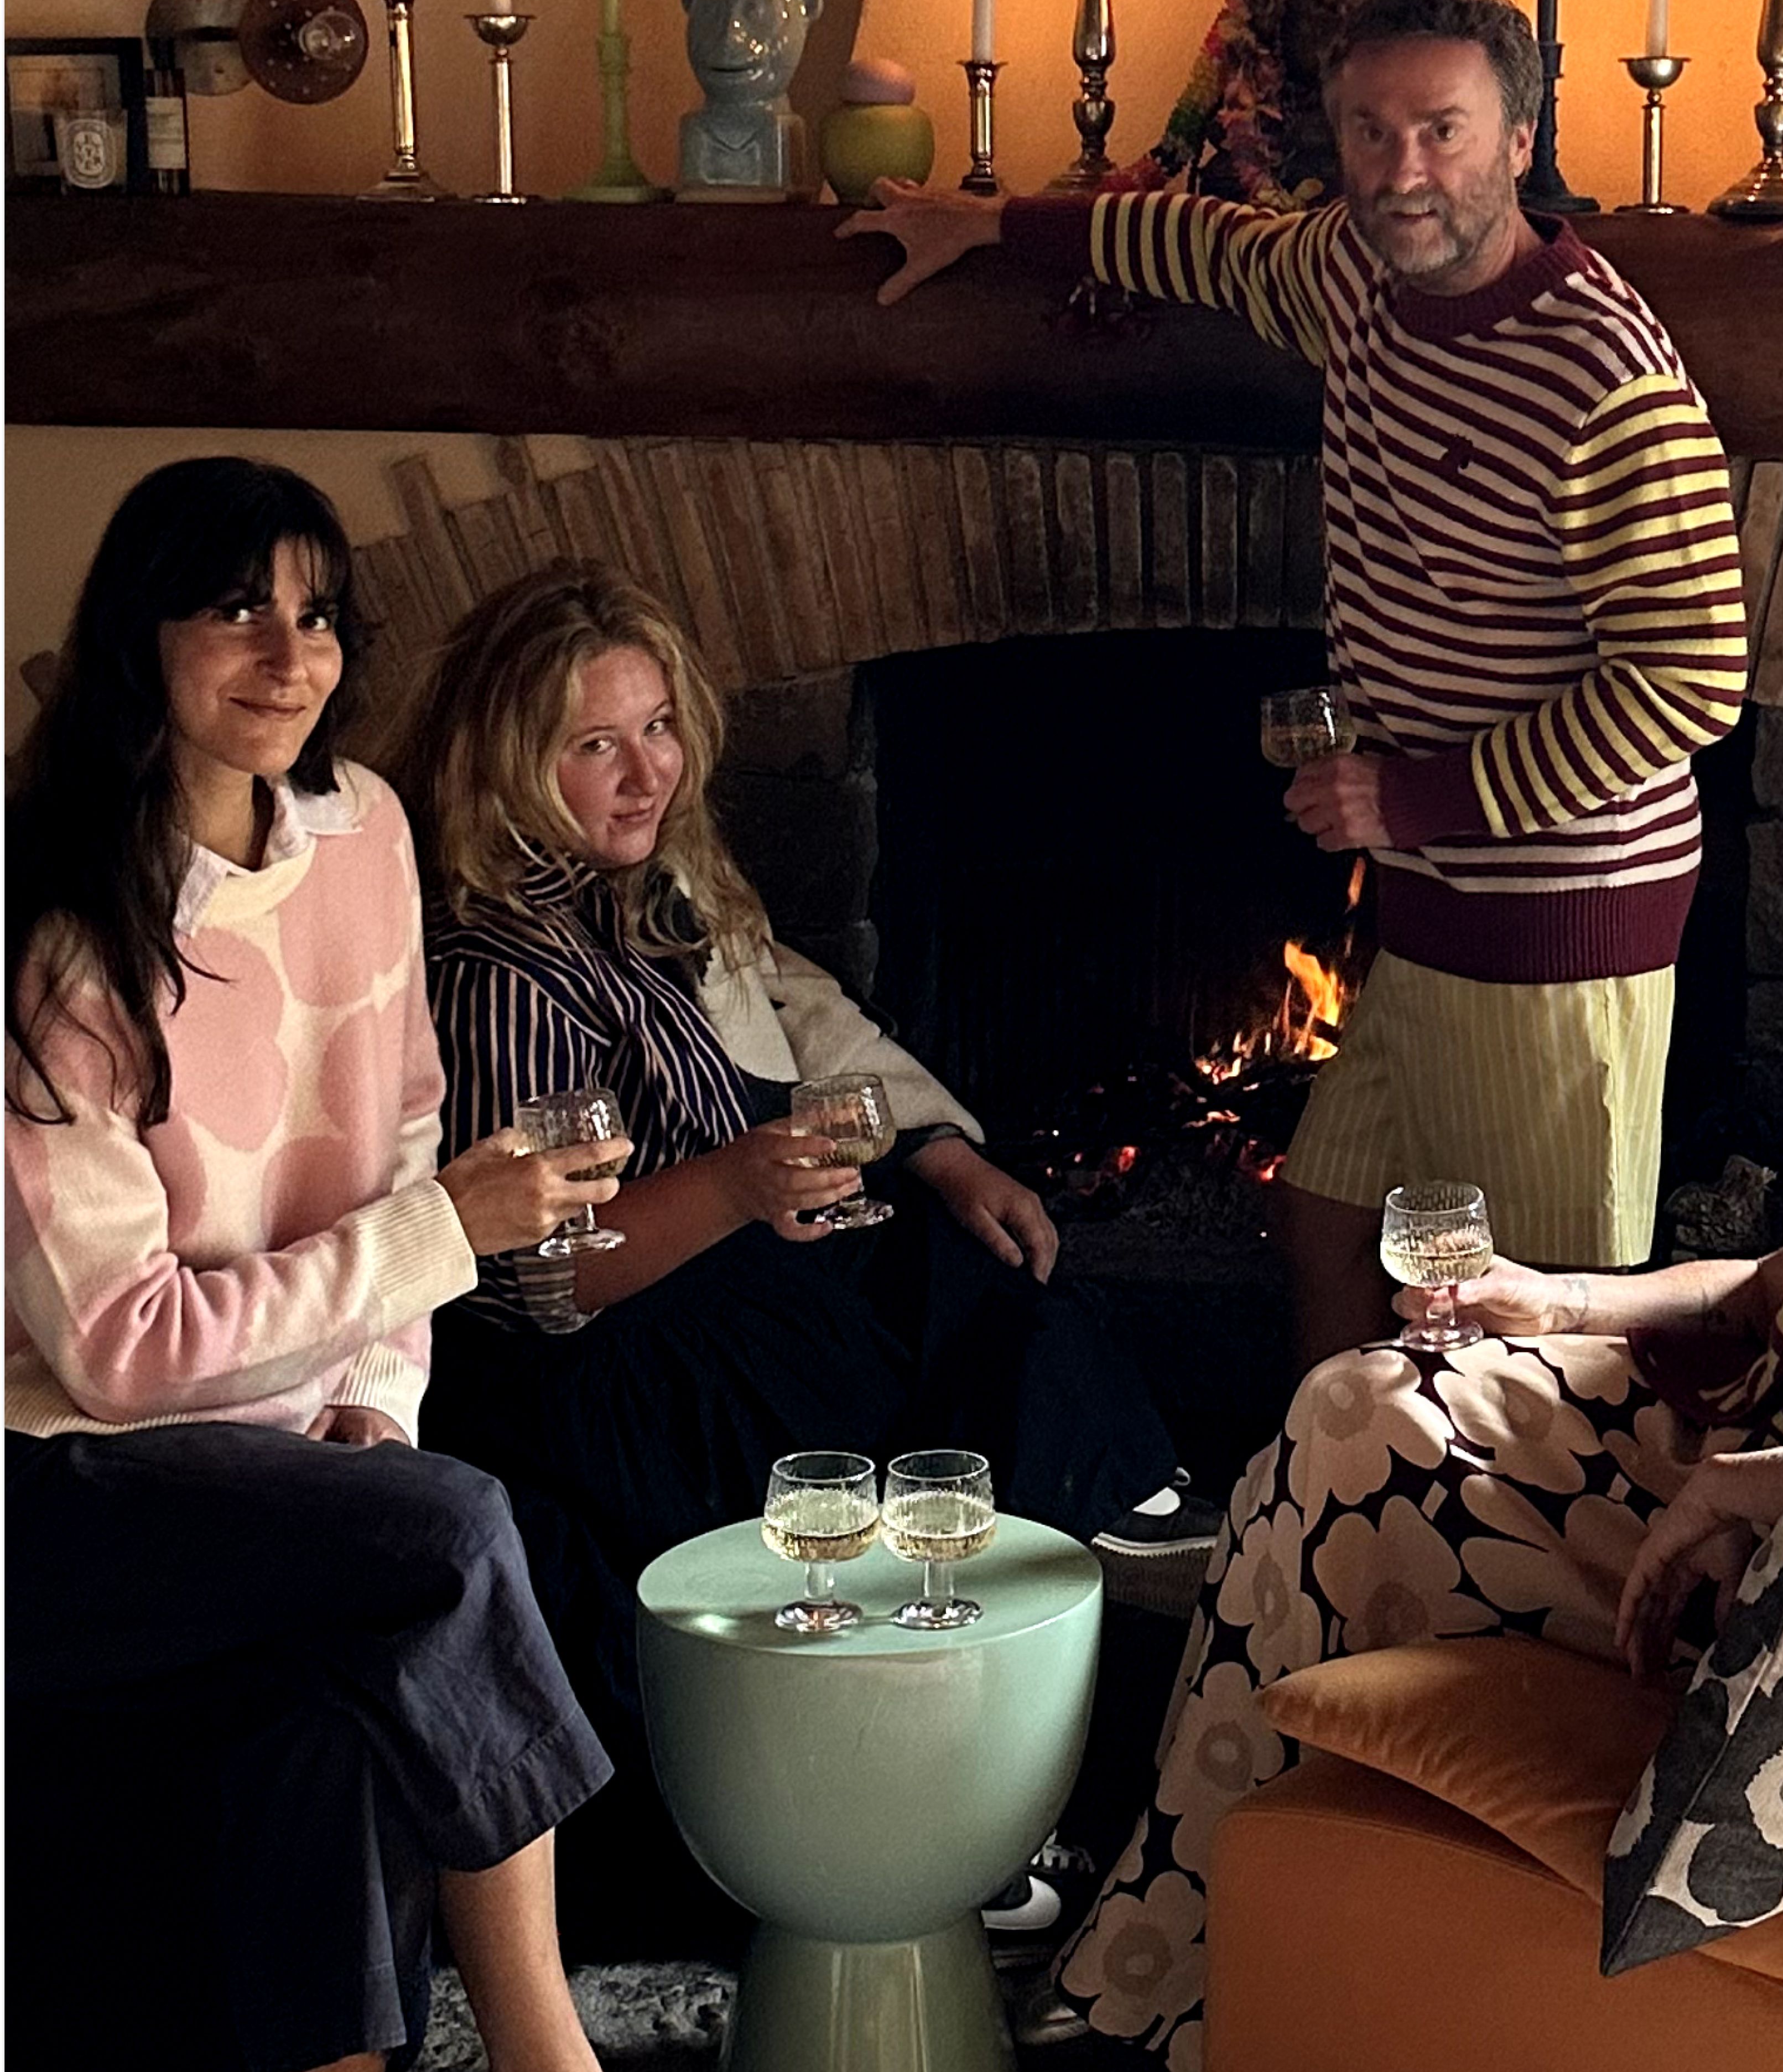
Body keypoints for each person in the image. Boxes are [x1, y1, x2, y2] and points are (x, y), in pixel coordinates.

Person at [1035, 829, 1783, 2072]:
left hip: (1741, 1559)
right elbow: (1761, 1288)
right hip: (1689, 1428)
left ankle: (1169, 1963)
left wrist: (1727, 1489)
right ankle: (1197, 1952)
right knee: (1346, 1402)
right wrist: (1556, 1299)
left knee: (1344, 1479)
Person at [4, 459, 747, 2072]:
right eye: (234, 610)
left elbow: (417, 1157)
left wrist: (374, 1406)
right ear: (146, 639)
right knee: (450, 1548)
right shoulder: (68, 935)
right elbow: (124, 1347)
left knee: (345, 1700)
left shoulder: (369, 840)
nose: (286, 653)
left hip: (288, 1463)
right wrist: (435, 1274)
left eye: (317, 614)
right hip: (68, 1494)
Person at [847, 0, 1751, 1366]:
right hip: (1426, 909)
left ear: (1519, 140)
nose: (1405, 171)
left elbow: (1691, 684)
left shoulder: (1601, 370)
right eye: (1372, 131)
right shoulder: (1355, 275)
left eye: (1443, 131)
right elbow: (1209, 243)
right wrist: (993, 224)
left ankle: (1543, 1572)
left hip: (1559, 921)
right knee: (1324, 1220)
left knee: (1538, 1318)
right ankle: (1336, 1508)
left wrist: (1414, 800)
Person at [390, 564, 1193, 1864]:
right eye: (594, 745)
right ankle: (1000, 1711)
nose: (644, 771)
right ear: (506, 762)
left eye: (657, 729)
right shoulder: (502, 970)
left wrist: (933, 1146)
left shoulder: (634, 894)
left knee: (950, 1260)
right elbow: (548, 1283)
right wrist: (734, 1185)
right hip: (607, 1361)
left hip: (717, 1279)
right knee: (907, 1328)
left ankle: (1082, 1574)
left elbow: (797, 1012)